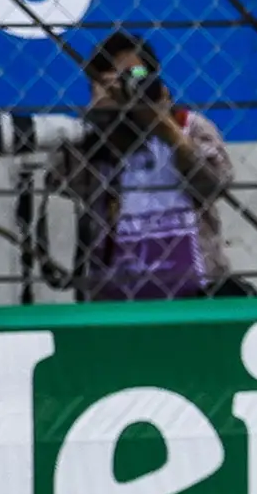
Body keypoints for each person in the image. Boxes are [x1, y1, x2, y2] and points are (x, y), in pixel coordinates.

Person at [49, 31, 239, 300]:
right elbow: (59, 180)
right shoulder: (89, 141)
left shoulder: (190, 126)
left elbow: (216, 183)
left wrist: (164, 127)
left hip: (196, 289)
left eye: (133, 77)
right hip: (116, 294)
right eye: (109, 79)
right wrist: (103, 119)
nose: (124, 87)